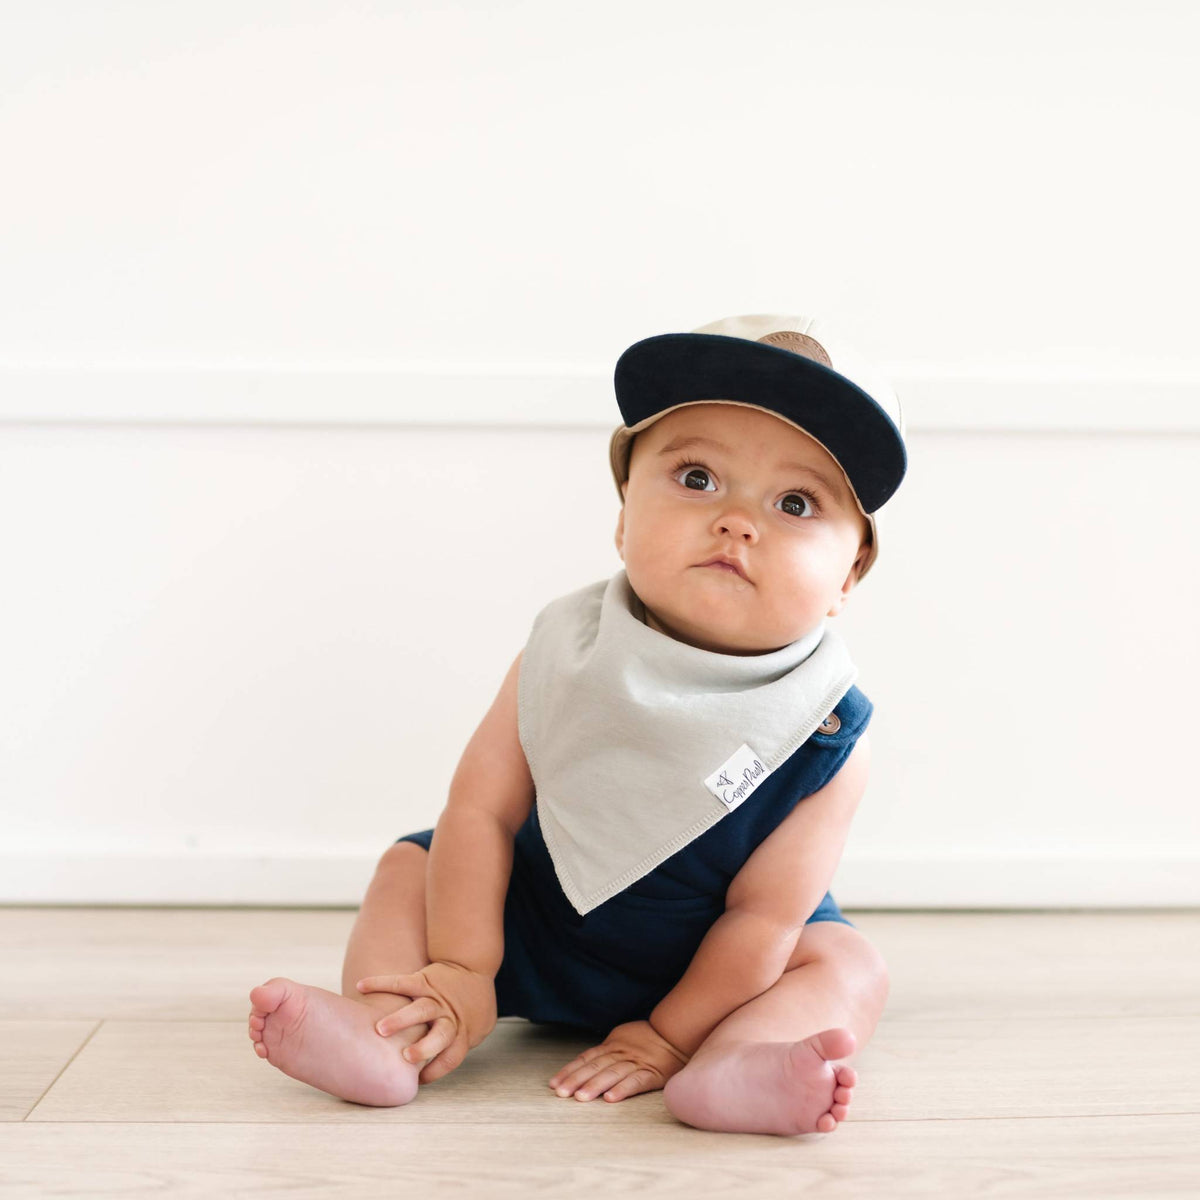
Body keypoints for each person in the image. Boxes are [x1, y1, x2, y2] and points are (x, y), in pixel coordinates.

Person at [248, 313, 908, 1136]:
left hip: (721, 969)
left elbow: (764, 919)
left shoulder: (825, 733)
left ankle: (735, 1061)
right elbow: (480, 812)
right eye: (698, 477)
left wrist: (672, 1036)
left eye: (796, 502)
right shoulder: (564, 650)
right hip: (533, 926)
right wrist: (462, 963)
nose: (738, 520)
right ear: (624, 515)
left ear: (849, 574)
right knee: (406, 866)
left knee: (845, 964)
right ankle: (393, 1030)